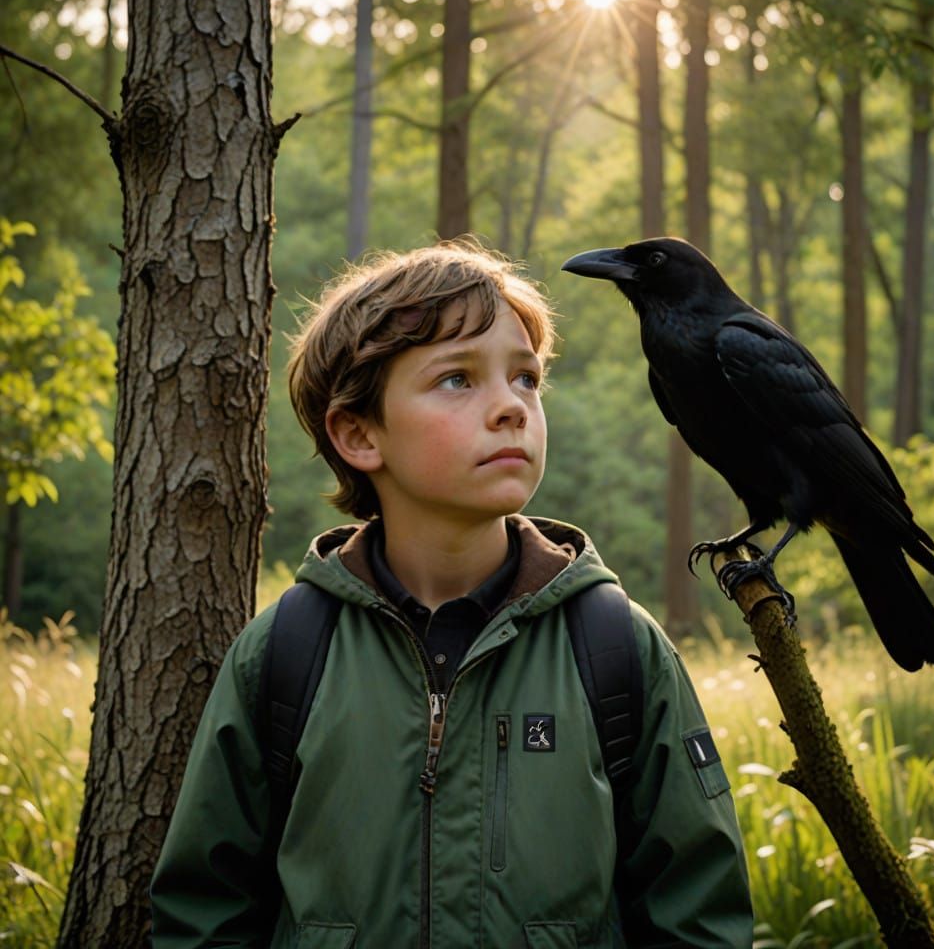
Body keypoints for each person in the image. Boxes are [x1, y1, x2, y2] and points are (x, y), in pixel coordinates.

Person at [150, 241, 753, 948]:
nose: (511, 407)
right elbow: (204, 914)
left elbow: (699, 917)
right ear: (358, 434)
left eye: (525, 378)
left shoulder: (616, 645)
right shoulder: (287, 651)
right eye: (458, 379)